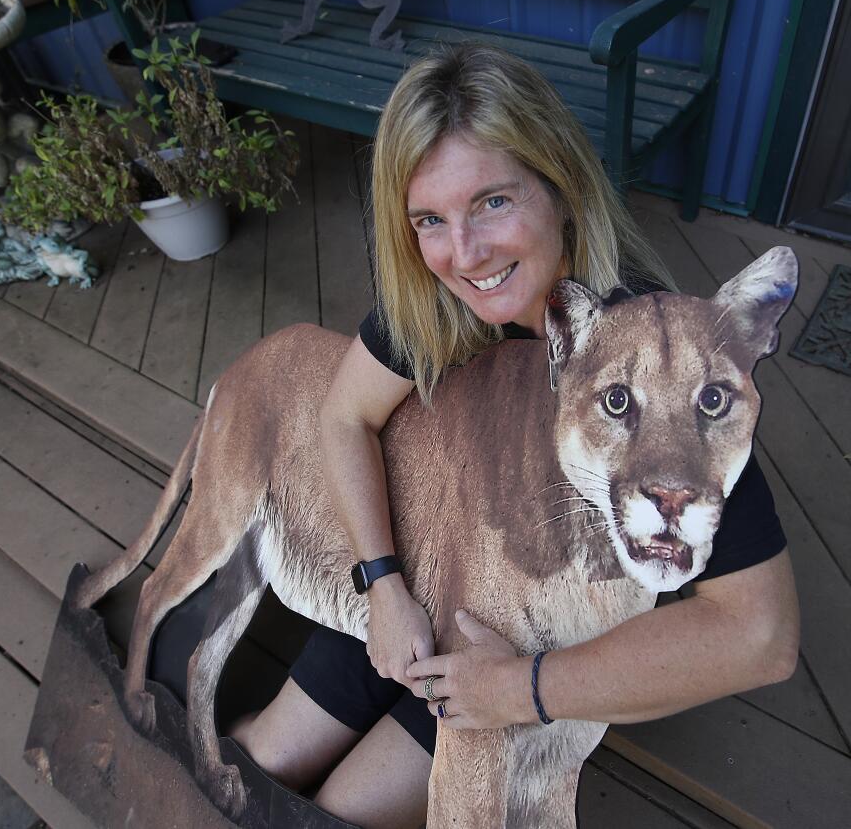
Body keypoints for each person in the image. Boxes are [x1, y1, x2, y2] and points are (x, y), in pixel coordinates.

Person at [155, 41, 799, 829]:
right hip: (414, 582)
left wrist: (522, 687)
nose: (466, 254)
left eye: (493, 201)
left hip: (519, 645)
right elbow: (345, 412)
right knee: (268, 755)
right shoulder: (439, 297)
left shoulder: (652, 346)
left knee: (341, 810)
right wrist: (384, 583)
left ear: (558, 186)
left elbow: (761, 635)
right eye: (430, 218)